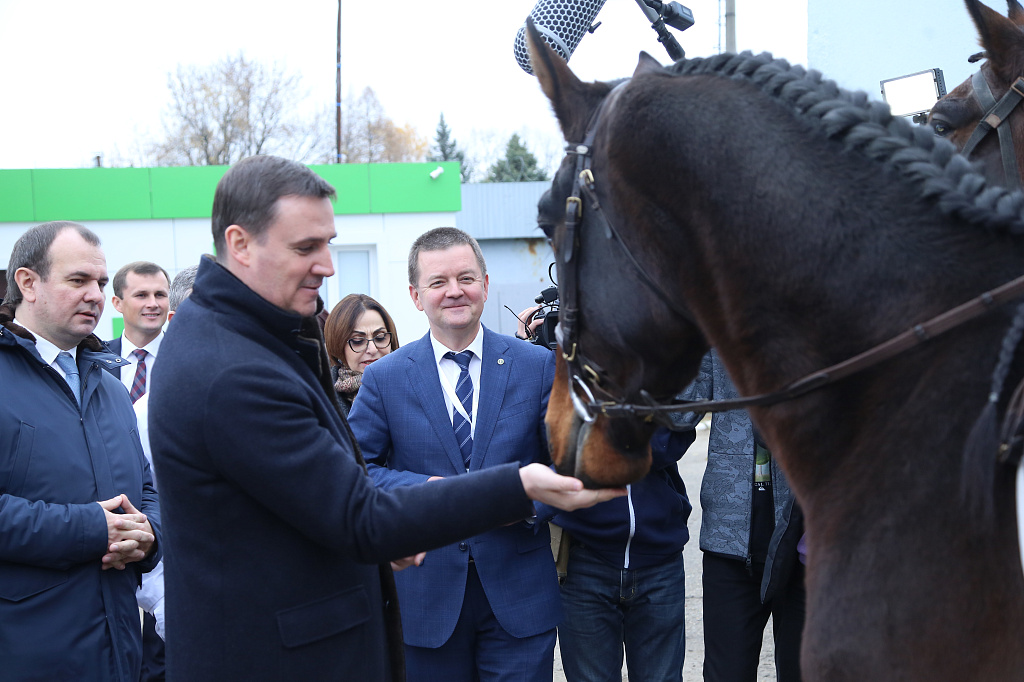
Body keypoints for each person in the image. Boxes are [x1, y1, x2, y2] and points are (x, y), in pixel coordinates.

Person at [149, 155, 622, 682]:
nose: (328, 265)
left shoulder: (249, 340)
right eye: (306, 247)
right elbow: (362, 514)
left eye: (327, 243)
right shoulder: (231, 368)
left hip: (502, 600)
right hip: (277, 654)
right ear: (239, 244)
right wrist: (518, 486)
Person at [348, 227, 561, 682]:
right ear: (415, 295)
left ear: (485, 284)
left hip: (519, 597)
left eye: (465, 278)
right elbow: (357, 471)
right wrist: (430, 494)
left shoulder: (536, 365)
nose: (454, 292)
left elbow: (563, 463)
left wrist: (520, 502)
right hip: (425, 599)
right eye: (438, 282)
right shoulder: (385, 378)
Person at [0, 220, 161, 681]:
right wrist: (90, 529)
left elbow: (147, 487)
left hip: (121, 649)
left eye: (101, 283)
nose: (94, 294)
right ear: (28, 283)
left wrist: (150, 534)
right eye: (78, 280)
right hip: (29, 654)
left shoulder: (110, 388)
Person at [517, 305, 695, 682]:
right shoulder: (553, 369)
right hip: (584, 561)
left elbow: (669, 441)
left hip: (659, 558)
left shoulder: (651, 363)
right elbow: (552, 447)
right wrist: (534, 352)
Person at [683, 349, 806, 682]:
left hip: (805, 540)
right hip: (730, 539)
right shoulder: (716, 329)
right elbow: (680, 414)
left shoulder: (815, 317)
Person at [133, 265, 197, 682]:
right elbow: (137, 517)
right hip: (181, 620)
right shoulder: (141, 417)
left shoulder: (263, 403)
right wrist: (166, 607)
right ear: (174, 322)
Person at [324, 293, 400, 415]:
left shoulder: (415, 386)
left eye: (380, 338)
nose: (373, 349)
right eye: (358, 341)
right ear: (337, 346)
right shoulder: (320, 400)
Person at [106, 261, 170, 402]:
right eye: (141, 295)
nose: (153, 304)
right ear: (118, 303)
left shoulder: (186, 356)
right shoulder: (96, 360)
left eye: (160, 295)